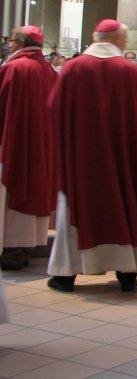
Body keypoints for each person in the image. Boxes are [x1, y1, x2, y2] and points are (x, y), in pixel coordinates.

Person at [47, 20, 137, 293]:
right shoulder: (128, 70)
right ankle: (127, 274)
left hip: (81, 161)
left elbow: (54, 108)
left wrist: (68, 142)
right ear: (117, 40)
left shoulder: (73, 67)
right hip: (121, 160)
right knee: (125, 205)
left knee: (76, 211)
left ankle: (66, 276)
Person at [0, 26, 57, 271]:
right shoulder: (50, 71)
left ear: (19, 43)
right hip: (42, 144)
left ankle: (11, 248)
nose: (10, 45)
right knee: (35, 186)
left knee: (14, 189)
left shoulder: (13, 68)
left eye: (12, 41)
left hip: (14, 142)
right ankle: (25, 246)